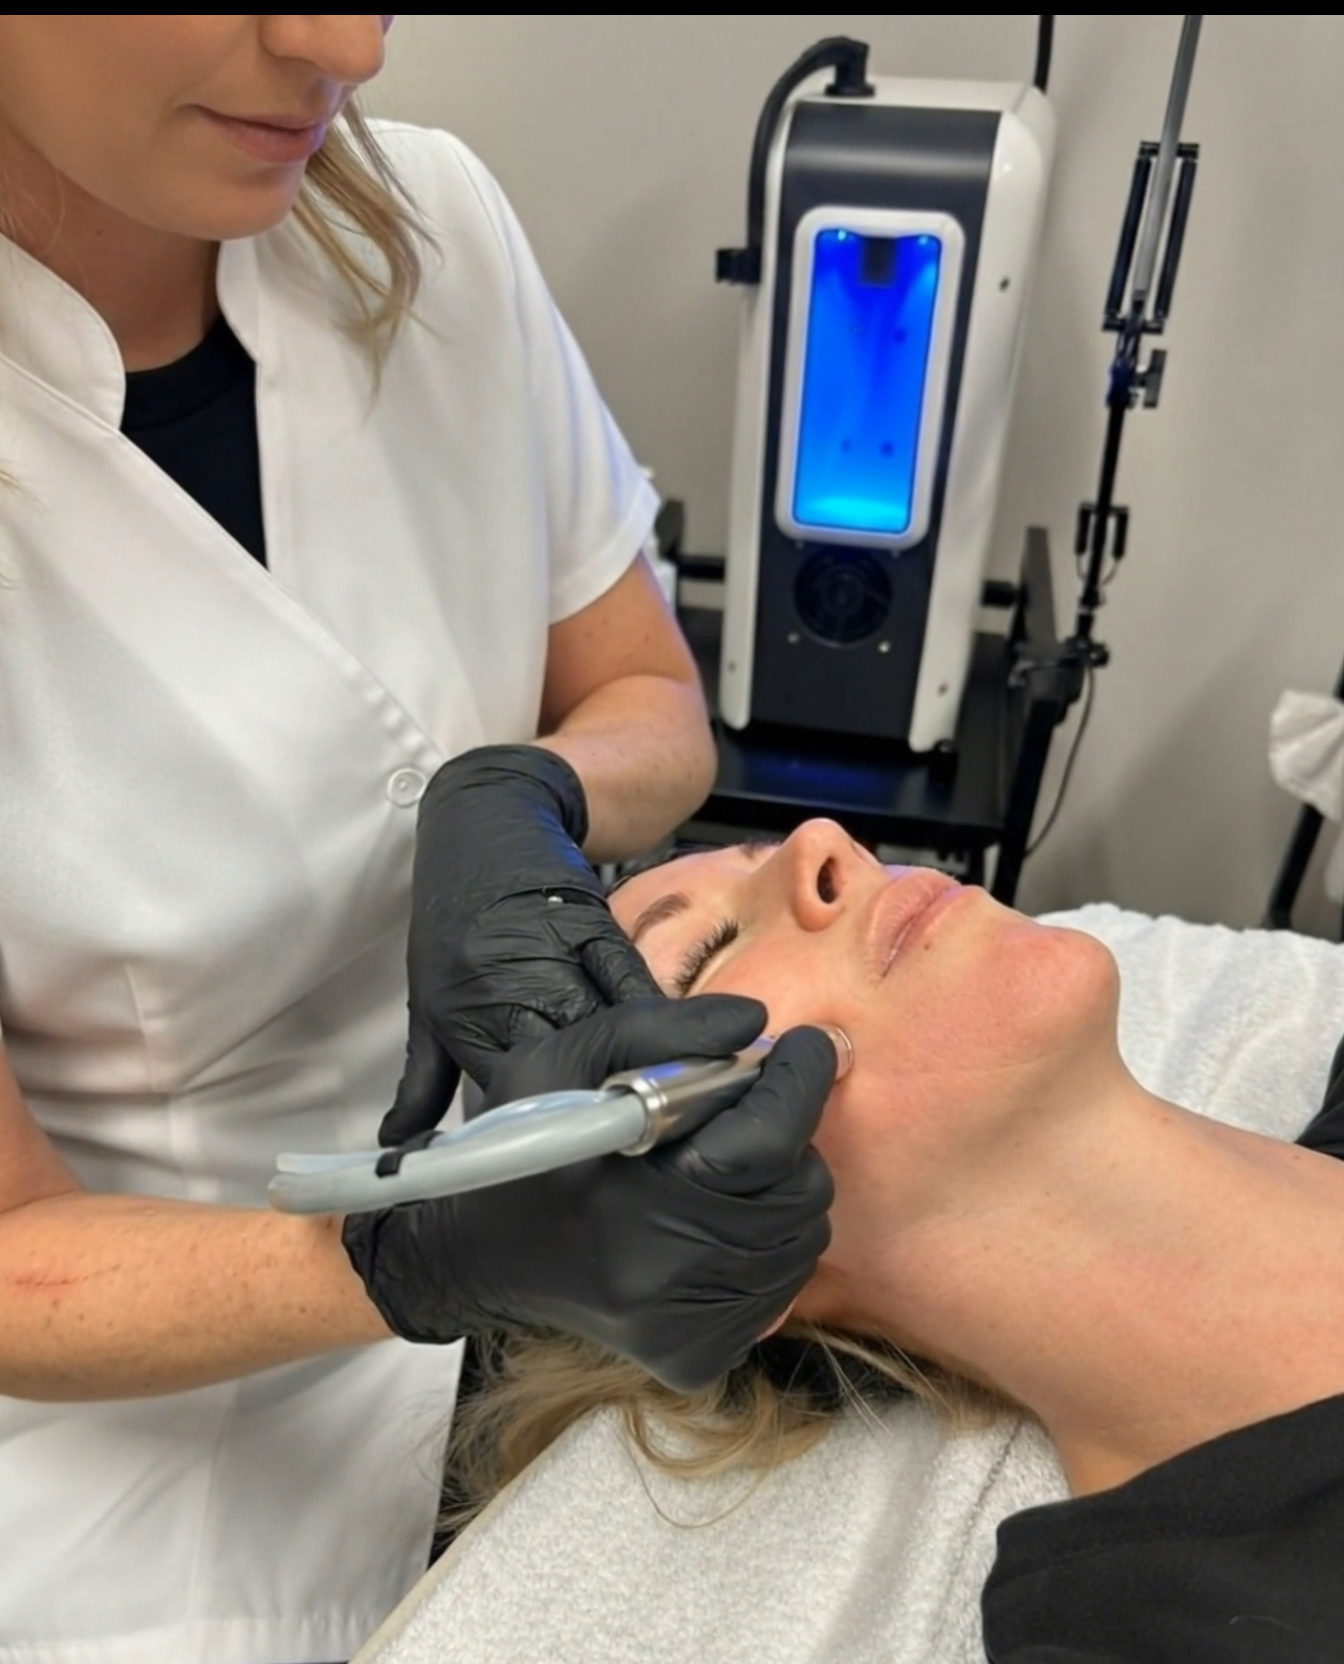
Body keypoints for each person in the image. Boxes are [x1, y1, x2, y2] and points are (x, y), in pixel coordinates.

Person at [0, 19, 835, 1663]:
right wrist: (420, 1253)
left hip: (564, 1260)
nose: (346, 47)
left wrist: (524, 791)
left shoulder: (422, 218)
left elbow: (647, 695)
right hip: (155, 1413)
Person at [443, 819, 1344, 1663]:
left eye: (760, 852)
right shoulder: (1163, 1625)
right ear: (721, 1256)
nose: (822, 839)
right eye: (704, 951)